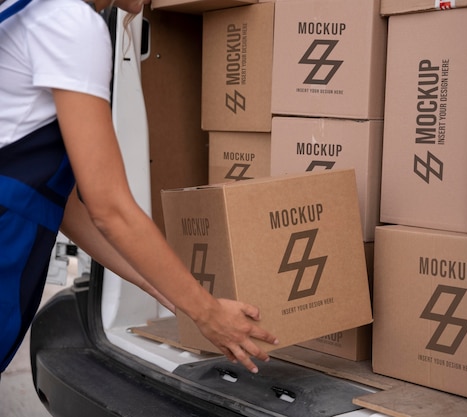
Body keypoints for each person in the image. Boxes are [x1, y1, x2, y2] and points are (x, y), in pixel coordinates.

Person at [0, 0, 278, 376]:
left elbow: (57, 201)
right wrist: (207, 314)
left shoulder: (30, 13)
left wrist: (166, 289)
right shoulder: (71, 24)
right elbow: (109, 208)